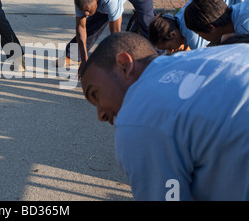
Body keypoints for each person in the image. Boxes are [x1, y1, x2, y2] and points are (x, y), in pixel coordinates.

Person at [80, 31, 249, 201]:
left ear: (124, 64)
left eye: (95, 95)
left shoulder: (138, 120)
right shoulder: (210, 57)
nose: (100, 114)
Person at [55, 0, 156, 69]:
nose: (86, 14)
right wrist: (84, 60)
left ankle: (156, 60)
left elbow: (115, 34)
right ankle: (73, 56)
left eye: (88, 10)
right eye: (84, 11)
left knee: (147, 20)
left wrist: (116, 63)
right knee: (93, 21)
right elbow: (81, 28)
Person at [148, 0, 249, 53]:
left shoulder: (244, 26)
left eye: (168, 48)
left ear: (173, 35)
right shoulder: (186, 16)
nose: (170, 51)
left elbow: (204, 59)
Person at [184, 0, 249, 43]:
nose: (200, 37)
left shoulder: (244, 29)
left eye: (199, 34)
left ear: (211, 28)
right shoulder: (238, 10)